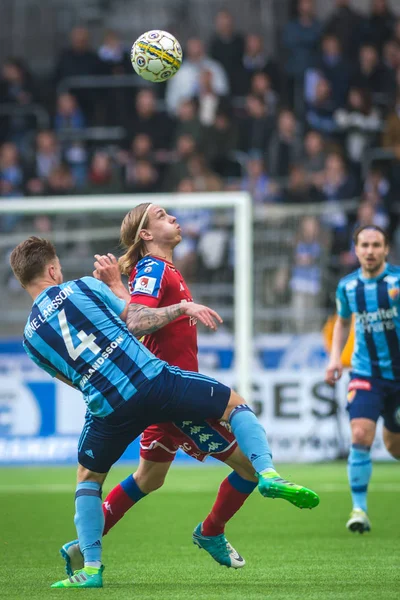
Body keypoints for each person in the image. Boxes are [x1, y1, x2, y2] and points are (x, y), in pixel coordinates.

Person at [10, 236, 320, 589]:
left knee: (91, 479)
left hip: (107, 406)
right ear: (53, 269)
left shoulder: (30, 340)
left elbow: (72, 380)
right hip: (154, 382)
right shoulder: (84, 287)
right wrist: (180, 308)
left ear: (22, 280)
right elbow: (136, 318)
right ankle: (266, 475)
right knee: (234, 404)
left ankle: (92, 567)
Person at [325, 225, 400, 534]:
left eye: (376, 245)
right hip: (365, 374)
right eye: (364, 245)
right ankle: (359, 510)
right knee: (359, 435)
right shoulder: (347, 287)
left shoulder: (397, 282)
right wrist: (334, 359)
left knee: (395, 447)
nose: (370, 251)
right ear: (355, 250)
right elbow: (342, 322)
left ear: (385, 249)